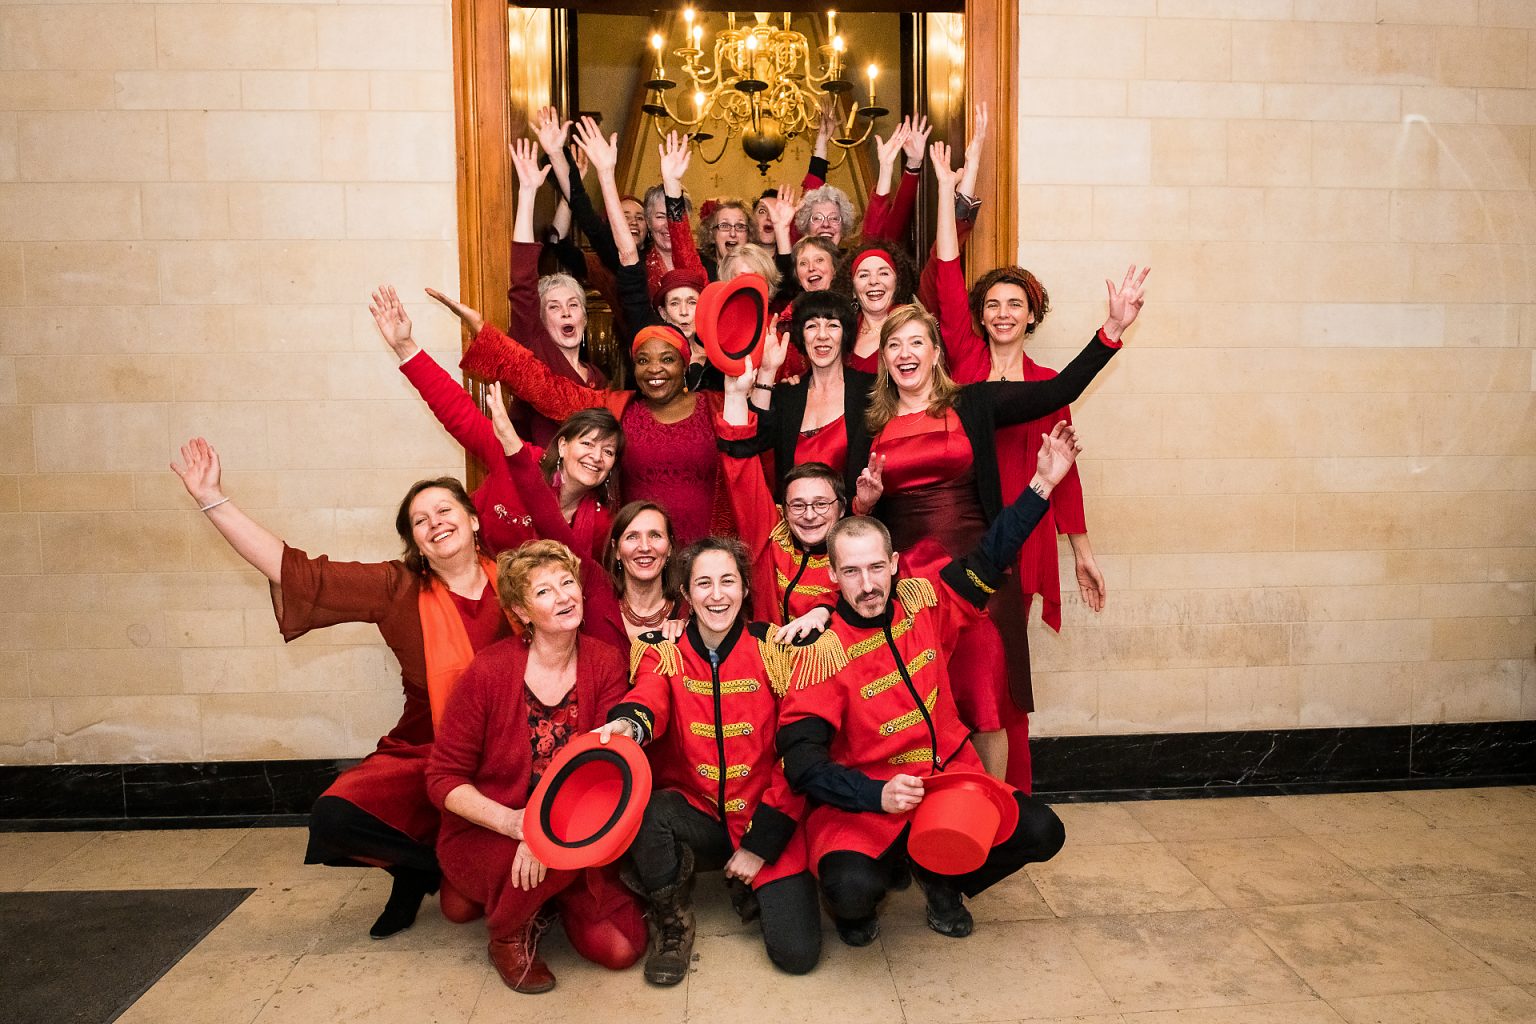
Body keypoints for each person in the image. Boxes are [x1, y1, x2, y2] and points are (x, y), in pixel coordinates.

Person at [170, 438, 514, 939]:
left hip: (512, 753)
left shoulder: (521, 581)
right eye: (420, 520)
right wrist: (212, 499)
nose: (435, 522)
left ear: (474, 520)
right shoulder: (395, 586)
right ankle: (421, 867)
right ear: (415, 542)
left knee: (467, 906)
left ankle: (453, 860)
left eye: (445, 509)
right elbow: (298, 573)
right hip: (427, 748)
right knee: (334, 816)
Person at [775, 421, 1084, 946]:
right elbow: (802, 761)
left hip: (945, 783)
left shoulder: (925, 601)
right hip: (867, 801)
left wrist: (1043, 485)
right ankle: (862, 902)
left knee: (1043, 831)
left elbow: (990, 553)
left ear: (895, 564)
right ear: (833, 575)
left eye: (877, 568)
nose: (868, 584)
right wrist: (876, 794)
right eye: (851, 572)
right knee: (850, 889)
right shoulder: (819, 648)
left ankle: (943, 880)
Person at [861, 290, 1142, 775]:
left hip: (982, 576)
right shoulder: (870, 422)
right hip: (910, 588)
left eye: (916, 343)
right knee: (921, 702)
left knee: (989, 702)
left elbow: (1058, 391)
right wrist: (864, 502)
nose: (905, 353)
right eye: (894, 346)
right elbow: (855, 510)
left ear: (935, 353)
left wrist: (1111, 331)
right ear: (884, 360)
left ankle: (995, 821)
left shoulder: (974, 402)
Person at [923, 135, 1121, 789]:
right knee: (959, 665)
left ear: (1031, 314)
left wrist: (1084, 552)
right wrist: (954, 196)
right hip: (969, 533)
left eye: (1016, 304)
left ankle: (1013, 794)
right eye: (993, 304)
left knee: (1008, 671)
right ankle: (961, 789)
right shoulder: (963, 369)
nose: (1003, 312)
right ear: (978, 318)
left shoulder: (1045, 381)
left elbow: (1068, 476)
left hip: (1026, 538)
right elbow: (946, 283)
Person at [596, 538, 823, 983]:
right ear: (685, 593)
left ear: (744, 590)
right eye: (703, 583)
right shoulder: (663, 651)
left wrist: (762, 845)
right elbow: (648, 698)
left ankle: (752, 878)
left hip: (766, 814)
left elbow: (798, 758)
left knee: (797, 955)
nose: (716, 595)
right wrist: (629, 725)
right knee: (648, 811)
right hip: (697, 810)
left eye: (727, 581)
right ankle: (672, 920)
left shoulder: (775, 650)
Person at [425, 540, 645, 993]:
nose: (564, 596)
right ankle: (507, 933)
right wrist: (516, 825)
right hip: (494, 827)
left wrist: (545, 836)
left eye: (568, 584)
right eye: (544, 592)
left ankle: (540, 896)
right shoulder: (488, 672)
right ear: (521, 612)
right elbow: (442, 778)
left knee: (623, 948)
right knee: (467, 904)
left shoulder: (604, 661)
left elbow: (606, 766)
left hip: (576, 828)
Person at [432, 286, 736, 548]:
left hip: (707, 556)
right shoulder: (617, 408)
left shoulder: (718, 406)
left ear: (685, 365)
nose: (654, 369)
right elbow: (546, 388)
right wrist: (483, 329)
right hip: (638, 555)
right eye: (643, 360)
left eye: (667, 359)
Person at [370, 284, 619, 562]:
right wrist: (406, 347)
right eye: (586, 443)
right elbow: (458, 412)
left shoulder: (601, 520)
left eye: (608, 451)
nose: (596, 457)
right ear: (562, 444)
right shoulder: (518, 460)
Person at [506, 137, 609, 445]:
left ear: (585, 317)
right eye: (553, 306)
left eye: (573, 305)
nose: (566, 312)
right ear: (540, 318)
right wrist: (527, 194)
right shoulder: (533, 351)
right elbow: (523, 283)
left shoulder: (597, 379)